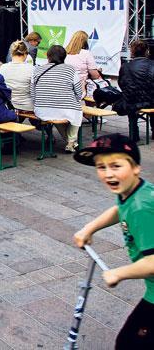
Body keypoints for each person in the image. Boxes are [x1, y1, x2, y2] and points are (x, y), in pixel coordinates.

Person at [72, 134, 154, 349]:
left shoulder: (141, 208)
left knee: (129, 344)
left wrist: (118, 273)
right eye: (101, 167)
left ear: (136, 167)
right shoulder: (135, 191)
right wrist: (90, 228)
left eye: (116, 166)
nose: (108, 174)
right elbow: (119, 209)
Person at [32, 45, 83, 153]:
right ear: (64, 57)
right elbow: (79, 94)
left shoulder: (37, 70)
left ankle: (71, 142)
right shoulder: (70, 69)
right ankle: (71, 141)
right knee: (76, 111)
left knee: (56, 114)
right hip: (64, 110)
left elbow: (33, 94)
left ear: (47, 56)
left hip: (42, 110)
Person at [116, 40, 154, 140]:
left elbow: (122, 84)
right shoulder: (152, 64)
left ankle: (134, 134)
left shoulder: (125, 66)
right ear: (147, 51)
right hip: (151, 101)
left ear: (132, 52)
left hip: (132, 101)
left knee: (130, 102)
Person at [65, 30, 104, 98]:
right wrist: (99, 72)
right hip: (80, 87)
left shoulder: (65, 52)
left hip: (66, 84)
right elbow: (95, 75)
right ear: (84, 42)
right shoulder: (86, 53)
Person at [0, 41, 34, 113]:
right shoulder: (32, 69)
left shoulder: (2, 67)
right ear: (25, 54)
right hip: (27, 106)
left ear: (11, 54)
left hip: (7, 105)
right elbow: (34, 91)